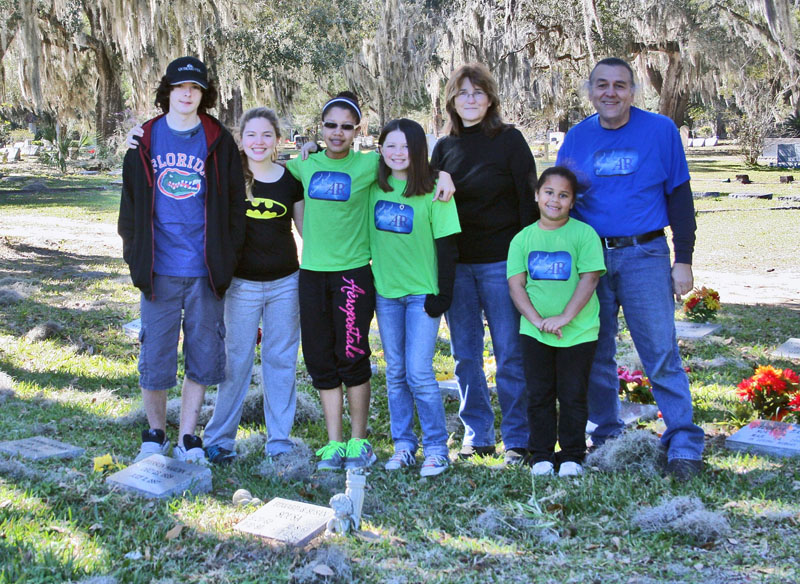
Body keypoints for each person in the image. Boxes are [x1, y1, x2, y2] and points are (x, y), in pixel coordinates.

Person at [556, 57, 705, 480]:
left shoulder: (660, 131)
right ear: (590, 91)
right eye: (602, 85)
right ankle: (606, 437)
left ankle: (683, 442)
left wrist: (684, 260)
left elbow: (680, 198)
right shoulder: (577, 139)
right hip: (591, 262)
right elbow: (561, 203)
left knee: (660, 352)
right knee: (596, 353)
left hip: (646, 255)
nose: (611, 93)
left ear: (633, 91)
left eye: (620, 85)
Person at [291, 92, 455, 471]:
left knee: (359, 356)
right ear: (320, 127)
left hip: (355, 275)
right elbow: (262, 170)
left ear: (358, 131)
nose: (337, 132)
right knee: (323, 358)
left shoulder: (369, 169)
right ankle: (337, 443)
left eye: (346, 126)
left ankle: (366, 442)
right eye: (330, 125)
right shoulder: (306, 164)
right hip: (315, 274)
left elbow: (420, 172)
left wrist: (443, 174)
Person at [118, 56, 245, 464]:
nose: (188, 94)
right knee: (155, 353)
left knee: (203, 353)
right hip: (159, 270)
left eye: (195, 88)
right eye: (180, 88)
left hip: (205, 270)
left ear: (203, 94)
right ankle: (155, 433)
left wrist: (226, 260)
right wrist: (135, 259)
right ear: (167, 92)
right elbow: (129, 208)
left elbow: (235, 206)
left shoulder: (218, 139)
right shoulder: (145, 140)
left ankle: (188, 435)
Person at [429, 63, 537, 466]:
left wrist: (525, 260)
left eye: (477, 93)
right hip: (458, 266)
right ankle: (478, 434)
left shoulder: (509, 140)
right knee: (465, 354)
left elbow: (529, 201)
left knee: (509, 352)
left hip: (501, 263)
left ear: (490, 98)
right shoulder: (443, 148)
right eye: (462, 93)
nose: (469, 100)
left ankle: (517, 437)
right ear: (452, 102)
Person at [202, 107, 304, 465]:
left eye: (266, 135)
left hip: (285, 284)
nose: (258, 142)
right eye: (251, 135)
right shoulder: (229, 176)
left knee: (280, 360)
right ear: (241, 139)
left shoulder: (291, 180)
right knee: (236, 361)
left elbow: (306, 231)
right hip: (241, 286)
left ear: (278, 140)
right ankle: (218, 439)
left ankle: (279, 441)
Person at [369, 118, 461, 477]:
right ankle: (404, 445)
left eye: (406, 146)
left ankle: (437, 448)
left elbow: (448, 246)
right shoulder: (373, 186)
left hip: (422, 294)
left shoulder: (435, 190)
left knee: (419, 371)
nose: (397, 153)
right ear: (380, 149)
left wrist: (443, 293)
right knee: (395, 372)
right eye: (390, 146)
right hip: (386, 294)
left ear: (419, 150)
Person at [507, 167, 605, 477]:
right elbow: (516, 285)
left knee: (573, 393)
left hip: (578, 332)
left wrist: (565, 317)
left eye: (563, 195)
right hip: (535, 333)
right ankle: (541, 455)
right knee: (540, 394)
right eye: (549, 192)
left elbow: (589, 278)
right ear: (536, 195)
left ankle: (573, 454)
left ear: (573, 202)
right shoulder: (523, 239)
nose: (555, 200)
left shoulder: (583, 234)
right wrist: (536, 321)